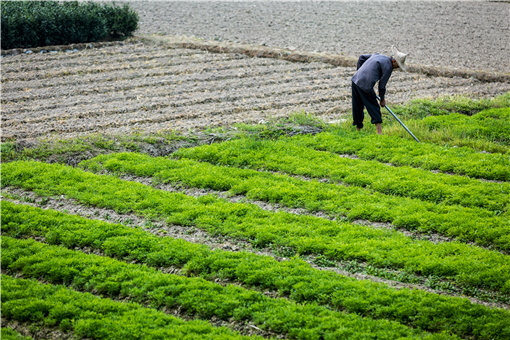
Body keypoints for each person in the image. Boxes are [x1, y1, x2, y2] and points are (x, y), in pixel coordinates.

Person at [351, 45, 408, 134]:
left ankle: (358, 129)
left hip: (355, 80)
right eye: (398, 65)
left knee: (357, 105)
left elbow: (361, 58)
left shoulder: (378, 55)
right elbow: (382, 85)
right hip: (365, 85)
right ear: (394, 61)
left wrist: (359, 72)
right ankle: (379, 132)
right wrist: (382, 99)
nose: (398, 68)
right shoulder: (389, 67)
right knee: (374, 106)